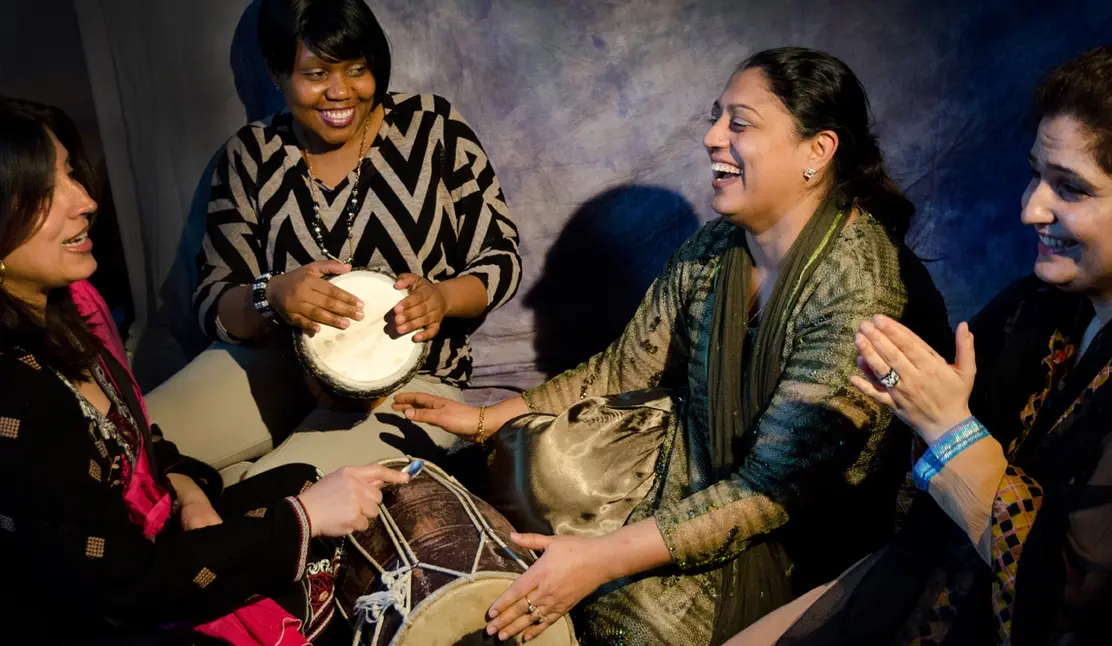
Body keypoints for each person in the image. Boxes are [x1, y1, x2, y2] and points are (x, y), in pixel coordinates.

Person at [393, 47, 951, 645]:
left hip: (786, 542)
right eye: (717, 118)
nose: (712, 137)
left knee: (627, 620)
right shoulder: (718, 245)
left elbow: (769, 493)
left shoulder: (859, 291)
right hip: (686, 467)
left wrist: (605, 558)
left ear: (817, 151)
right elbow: (625, 366)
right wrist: (482, 420)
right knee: (522, 465)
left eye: (739, 124)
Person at [728, 45, 1112, 646]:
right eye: (1036, 173)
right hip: (911, 572)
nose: (1031, 208)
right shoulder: (1033, 305)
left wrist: (947, 429)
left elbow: (1073, 596)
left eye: (1072, 189)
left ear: (821, 152)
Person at [0, 97, 412, 644]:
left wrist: (189, 492)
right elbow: (120, 588)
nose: (87, 201)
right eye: (47, 191)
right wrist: (302, 519)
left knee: (300, 481)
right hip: (117, 612)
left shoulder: (70, 306)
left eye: (73, 175)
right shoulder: (15, 397)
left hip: (153, 537)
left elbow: (134, 443)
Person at [190, 0, 521, 476]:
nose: (340, 92)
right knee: (133, 449)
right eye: (317, 73)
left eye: (357, 69)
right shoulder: (251, 155)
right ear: (277, 72)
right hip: (279, 367)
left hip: (416, 382)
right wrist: (273, 294)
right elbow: (211, 299)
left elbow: (501, 256)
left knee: (270, 493)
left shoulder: (432, 128)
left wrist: (442, 298)